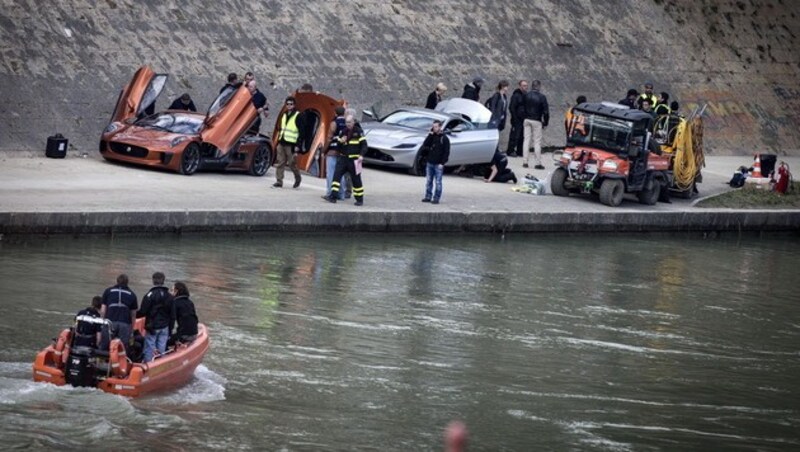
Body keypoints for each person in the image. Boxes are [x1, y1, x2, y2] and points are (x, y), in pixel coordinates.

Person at [326, 114, 366, 205]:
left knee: (356, 180)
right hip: (343, 159)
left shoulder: (359, 132)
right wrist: (341, 142)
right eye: (346, 122)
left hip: (355, 160)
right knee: (336, 176)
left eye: (349, 122)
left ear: (353, 122)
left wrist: (361, 155)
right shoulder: (343, 132)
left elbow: (364, 145)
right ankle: (333, 196)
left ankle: (359, 199)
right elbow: (338, 147)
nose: (348, 124)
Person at [137, 272, 173, 363]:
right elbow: (172, 314)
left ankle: (148, 365)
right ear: (163, 280)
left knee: (149, 347)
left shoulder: (149, 295)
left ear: (153, 280)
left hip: (152, 326)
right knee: (162, 347)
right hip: (165, 326)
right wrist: (170, 329)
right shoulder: (169, 296)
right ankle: (160, 363)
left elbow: (143, 311)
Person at [100, 274, 138, 352]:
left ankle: (102, 361)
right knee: (122, 348)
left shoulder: (108, 291)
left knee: (105, 345)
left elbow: (103, 310)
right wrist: (132, 330)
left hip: (110, 322)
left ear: (117, 281)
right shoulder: (132, 294)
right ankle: (120, 362)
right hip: (125, 324)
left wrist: (102, 323)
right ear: (127, 282)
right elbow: (133, 315)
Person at [272, 96, 302, 188]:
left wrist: (298, 144)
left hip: (291, 143)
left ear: (294, 105)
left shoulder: (298, 115)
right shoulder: (284, 114)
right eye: (287, 104)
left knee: (292, 163)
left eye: (291, 104)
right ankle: (279, 181)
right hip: (282, 141)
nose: (289, 106)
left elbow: (302, 131)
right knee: (280, 162)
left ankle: (298, 178)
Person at [420, 120, 450, 204]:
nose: (434, 128)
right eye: (433, 127)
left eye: (436, 127)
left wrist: (442, 163)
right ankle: (428, 196)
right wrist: (430, 135)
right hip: (430, 162)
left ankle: (436, 198)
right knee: (429, 181)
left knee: (438, 182)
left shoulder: (444, 138)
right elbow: (425, 144)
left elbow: (446, 152)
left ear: (440, 127)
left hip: (438, 163)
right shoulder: (432, 136)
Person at [521, 79, 550, 170]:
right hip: (537, 120)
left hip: (527, 119)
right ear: (539, 86)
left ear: (532, 86)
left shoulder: (526, 95)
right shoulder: (542, 97)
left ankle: (525, 161)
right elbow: (546, 112)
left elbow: (522, 107)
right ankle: (538, 163)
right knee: (537, 142)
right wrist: (545, 122)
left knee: (526, 140)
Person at [324, 106, 348, 200]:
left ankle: (330, 192)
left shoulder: (334, 123)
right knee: (340, 174)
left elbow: (329, 138)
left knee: (331, 173)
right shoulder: (347, 123)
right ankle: (341, 194)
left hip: (333, 151)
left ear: (335, 113)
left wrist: (324, 150)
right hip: (343, 152)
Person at [169, 281, 198, 346]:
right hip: (194, 333)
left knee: (163, 341)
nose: (170, 293)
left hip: (184, 336)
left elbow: (171, 319)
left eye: (172, 290)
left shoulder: (175, 303)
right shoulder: (190, 302)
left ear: (176, 291)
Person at [506, 80, 528, 157]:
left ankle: (520, 151)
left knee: (522, 136)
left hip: (524, 119)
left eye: (526, 85)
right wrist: (515, 118)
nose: (525, 87)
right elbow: (511, 107)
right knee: (514, 136)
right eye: (523, 85)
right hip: (517, 119)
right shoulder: (516, 96)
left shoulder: (526, 95)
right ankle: (510, 150)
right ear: (520, 86)